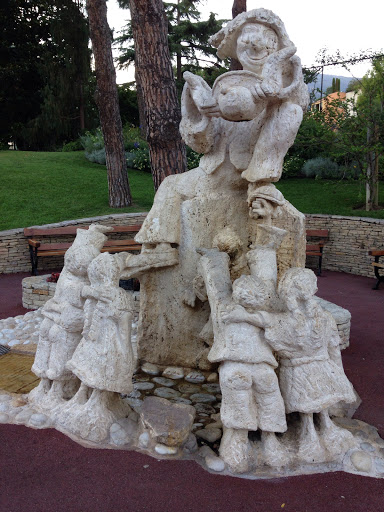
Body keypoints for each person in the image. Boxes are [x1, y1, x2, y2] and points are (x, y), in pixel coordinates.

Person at [134, 9, 307, 369]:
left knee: (290, 113)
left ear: (277, 45)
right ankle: (163, 247)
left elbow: (293, 104)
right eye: (247, 38)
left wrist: (271, 95)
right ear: (236, 46)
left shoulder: (284, 90)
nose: (255, 44)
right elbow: (201, 142)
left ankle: (259, 182)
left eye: (265, 39)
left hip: (245, 178)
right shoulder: (225, 85)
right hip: (209, 175)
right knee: (169, 185)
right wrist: (199, 109)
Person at [223, 268, 356, 462]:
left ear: (286, 294)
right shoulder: (325, 318)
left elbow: (264, 320)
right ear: (314, 290)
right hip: (323, 369)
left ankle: (310, 435)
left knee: (307, 409)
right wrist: (339, 373)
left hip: (297, 373)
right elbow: (334, 348)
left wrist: (241, 316)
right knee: (321, 403)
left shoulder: (285, 320)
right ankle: (324, 428)